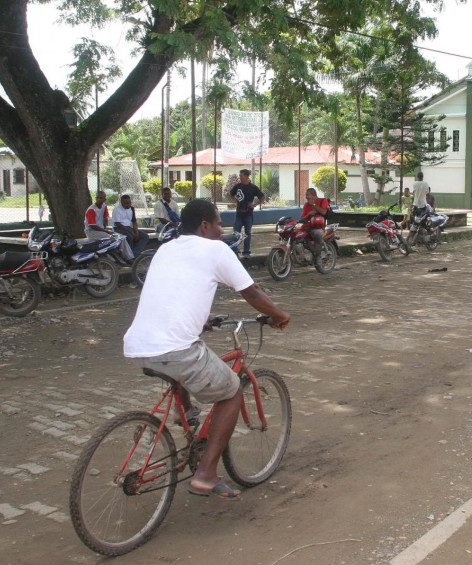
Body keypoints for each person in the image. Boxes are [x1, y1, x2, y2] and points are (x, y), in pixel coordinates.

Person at [123, 199, 291, 500]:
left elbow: (174, 294)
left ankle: (186, 413)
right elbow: (251, 292)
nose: (221, 229)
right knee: (231, 393)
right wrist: (279, 315)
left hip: (138, 344)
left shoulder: (167, 248)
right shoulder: (215, 249)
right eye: (218, 223)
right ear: (204, 226)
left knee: (184, 363)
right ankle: (206, 475)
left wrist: (203, 321)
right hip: (174, 348)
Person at [229, 169, 266, 259]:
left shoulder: (253, 187)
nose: (240, 177)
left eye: (241, 175)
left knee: (247, 233)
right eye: (239, 175)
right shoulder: (238, 186)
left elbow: (262, 197)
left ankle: (246, 252)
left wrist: (254, 204)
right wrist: (234, 200)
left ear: (246, 176)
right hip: (239, 213)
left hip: (248, 213)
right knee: (236, 233)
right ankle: (234, 251)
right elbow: (231, 194)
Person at [300, 187, 329, 254]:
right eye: (306, 195)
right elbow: (302, 218)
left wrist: (314, 204)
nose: (306, 197)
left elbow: (324, 212)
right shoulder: (306, 205)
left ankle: (318, 257)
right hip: (306, 227)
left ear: (314, 195)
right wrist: (308, 214)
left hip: (318, 227)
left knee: (317, 234)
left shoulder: (323, 200)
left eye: (308, 195)